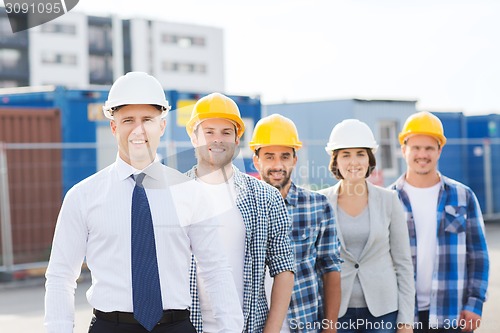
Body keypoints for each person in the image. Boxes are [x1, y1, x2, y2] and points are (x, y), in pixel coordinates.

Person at [44, 72, 243, 333]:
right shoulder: (83, 197)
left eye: (147, 119)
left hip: (175, 326)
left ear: (161, 126)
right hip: (110, 327)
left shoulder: (191, 194)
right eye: (128, 120)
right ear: (114, 126)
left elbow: (216, 271)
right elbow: (60, 277)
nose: (138, 130)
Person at [185, 93, 296, 333]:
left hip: (248, 328)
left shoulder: (266, 197)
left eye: (226, 132)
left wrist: (271, 331)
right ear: (194, 138)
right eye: (209, 132)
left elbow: (284, 269)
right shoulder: (172, 196)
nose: (217, 140)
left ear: (237, 139)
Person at [390, 111, 489, 333]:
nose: (422, 154)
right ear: (403, 149)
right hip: (402, 316)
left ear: (439, 150)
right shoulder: (388, 199)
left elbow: (479, 255)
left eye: (429, 148)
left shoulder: (463, 196)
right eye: (416, 148)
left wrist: (475, 304)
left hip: (451, 313)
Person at [318, 119, 415, 333]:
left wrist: (406, 320)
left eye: (360, 153)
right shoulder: (320, 202)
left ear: (369, 158)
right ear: (335, 160)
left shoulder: (389, 200)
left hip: (383, 313)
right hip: (336, 314)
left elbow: (404, 264)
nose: (354, 162)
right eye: (346, 154)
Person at [250, 114, 343, 333]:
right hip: (254, 325)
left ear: (295, 159)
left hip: (303, 322)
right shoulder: (242, 207)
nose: (277, 165)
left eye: (284, 156)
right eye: (269, 157)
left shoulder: (318, 206)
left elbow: (330, 268)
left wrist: (330, 328)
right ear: (256, 160)